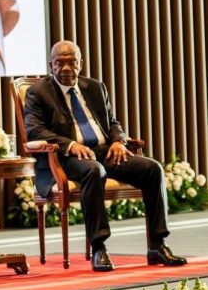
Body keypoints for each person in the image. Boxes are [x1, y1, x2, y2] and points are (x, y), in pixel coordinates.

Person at [24, 40, 187, 272]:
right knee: (93, 170)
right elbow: (34, 130)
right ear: (51, 65)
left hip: (104, 151)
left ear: (81, 63)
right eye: (59, 63)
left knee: (152, 169)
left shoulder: (95, 87)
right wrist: (70, 145)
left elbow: (112, 123)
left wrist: (119, 141)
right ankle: (99, 247)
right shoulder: (38, 92)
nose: (66, 68)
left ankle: (157, 245)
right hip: (67, 159)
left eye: (71, 62)